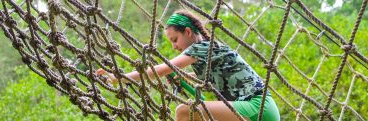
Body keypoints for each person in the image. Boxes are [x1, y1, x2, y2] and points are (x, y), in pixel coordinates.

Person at [96, 10, 280, 121]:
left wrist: (120, 78)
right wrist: (182, 83)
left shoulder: (203, 48)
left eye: (175, 40)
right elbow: (212, 99)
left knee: (185, 111)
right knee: (192, 112)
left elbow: (162, 69)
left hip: (258, 107)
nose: (175, 46)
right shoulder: (206, 59)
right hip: (251, 109)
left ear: (188, 32)